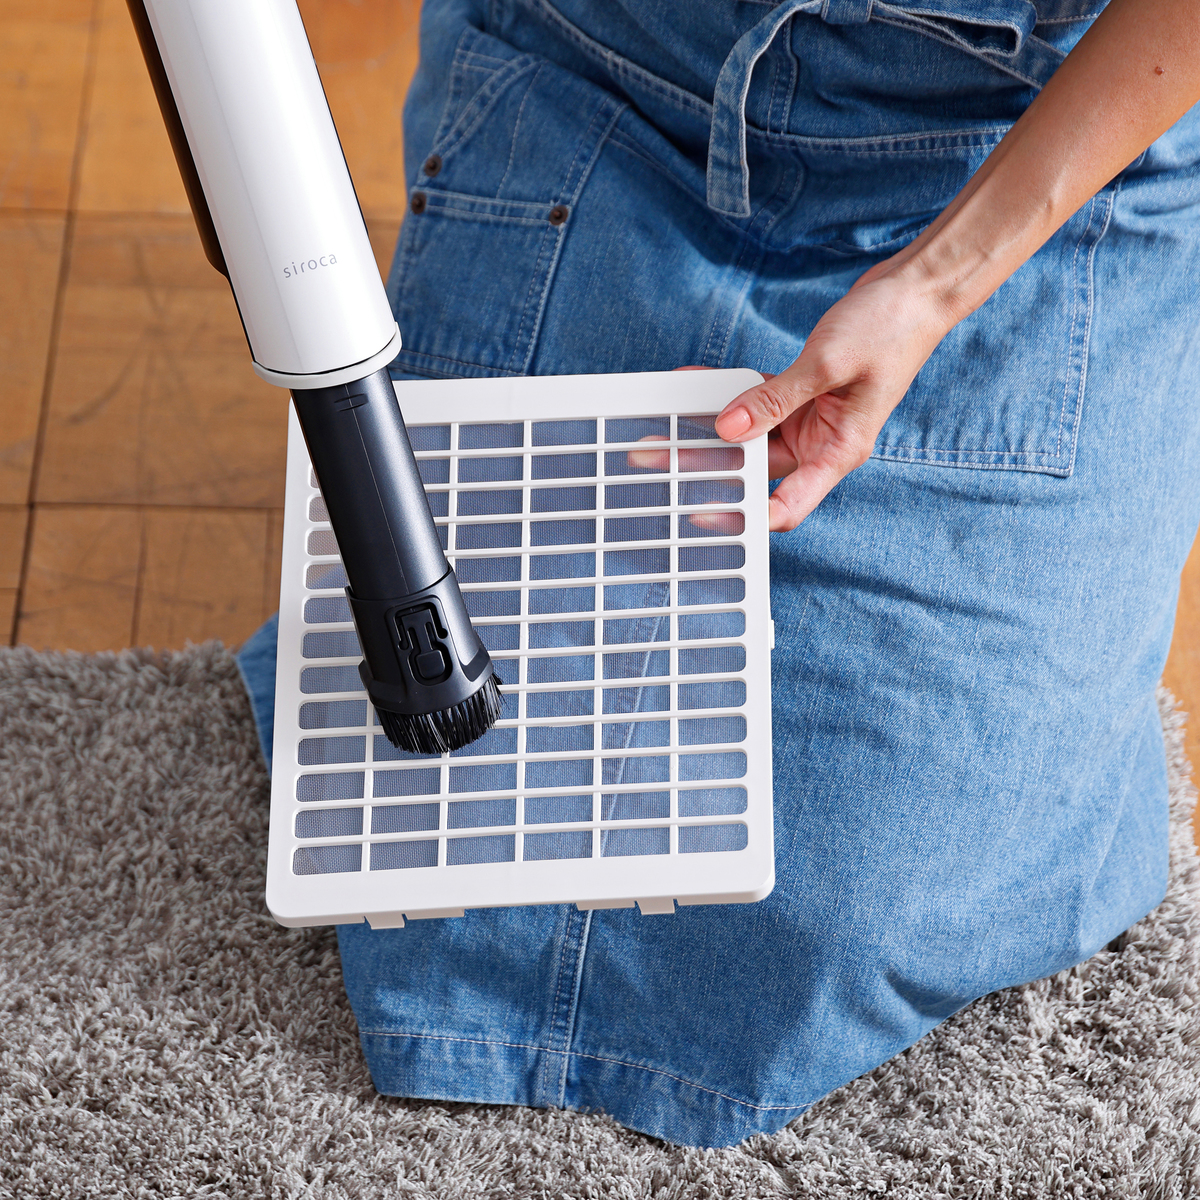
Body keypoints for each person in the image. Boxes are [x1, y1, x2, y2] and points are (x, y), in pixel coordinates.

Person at [238, 0, 1200, 1148]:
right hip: (612, 67)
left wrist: (936, 284)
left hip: (1020, 136)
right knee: (440, 836)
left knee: (842, 909)